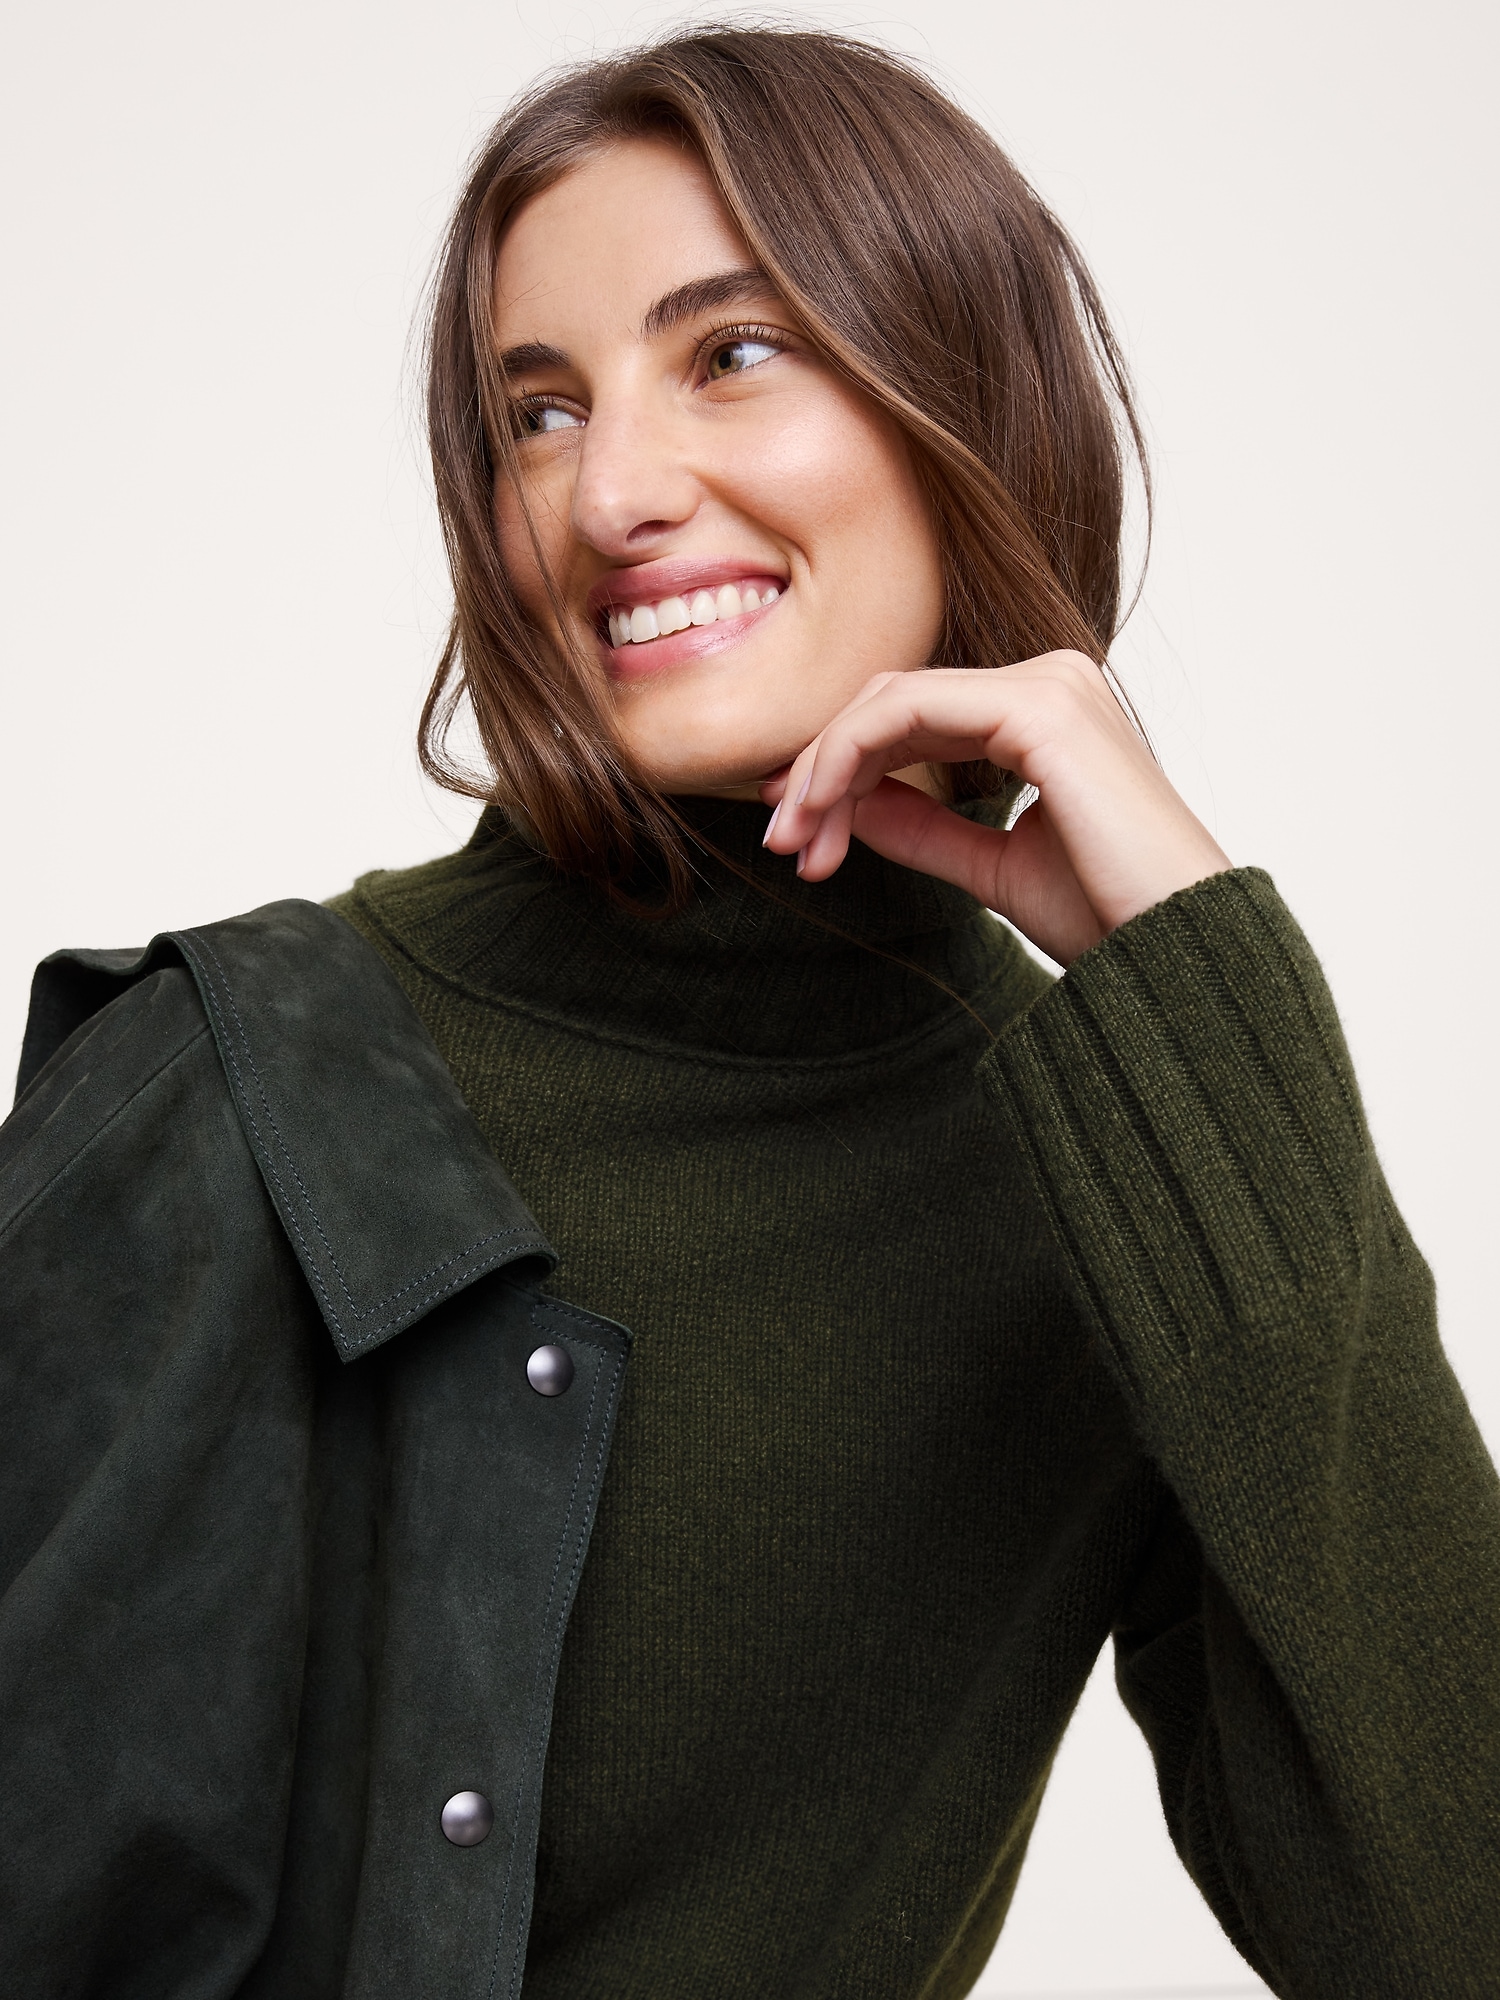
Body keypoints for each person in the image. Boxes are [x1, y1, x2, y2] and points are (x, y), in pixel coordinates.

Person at [1, 25, 1496, 2000]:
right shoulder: (234, 1085)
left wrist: (1190, 964)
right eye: (538, 413)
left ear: (963, 397)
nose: (609, 490)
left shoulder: (1107, 1185)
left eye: (733, 352)